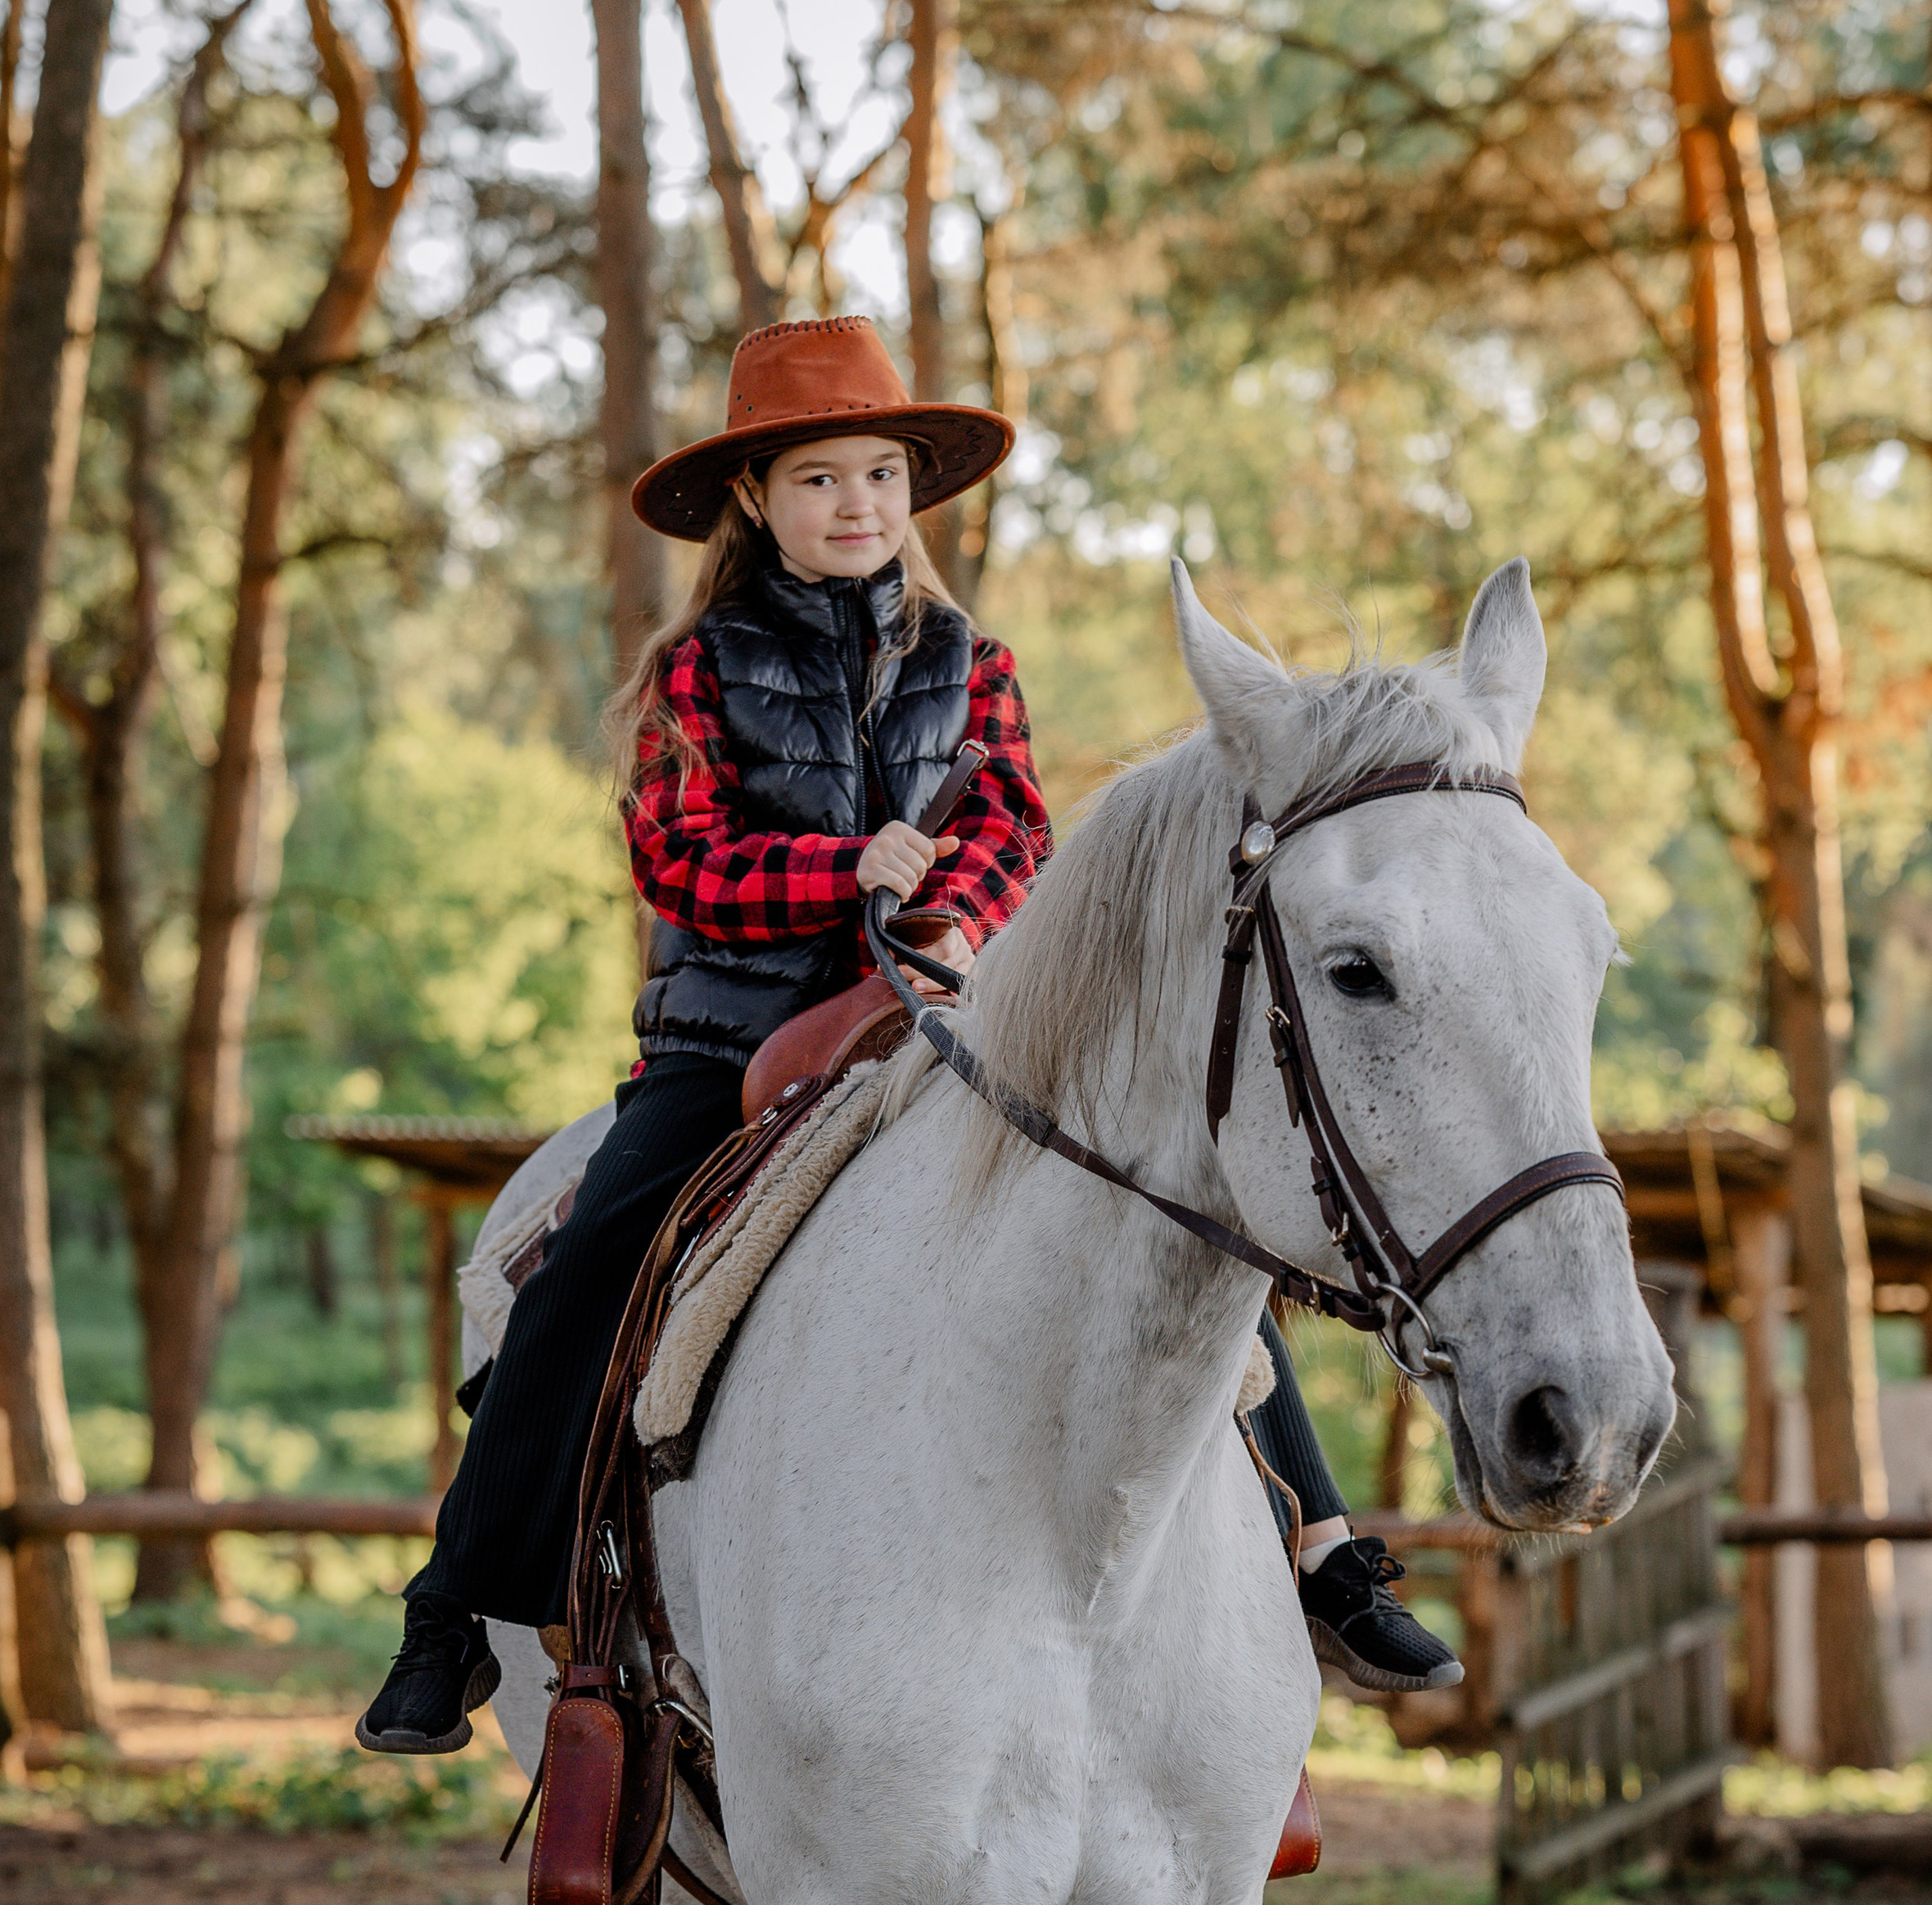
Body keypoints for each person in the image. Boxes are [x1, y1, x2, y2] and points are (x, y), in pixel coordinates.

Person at [356, 318, 1455, 1755]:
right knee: (592, 1265)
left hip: (939, 1012)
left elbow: (1014, 821)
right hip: (732, 1033)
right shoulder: (697, 667)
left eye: (880, 472)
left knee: (1176, 1196)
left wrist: (946, 912)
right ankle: (454, 1614)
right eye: (820, 479)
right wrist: (839, 877)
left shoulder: (969, 660)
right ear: (757, 499)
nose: (858, 503)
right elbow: (679, 860)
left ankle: (1322, 1550)